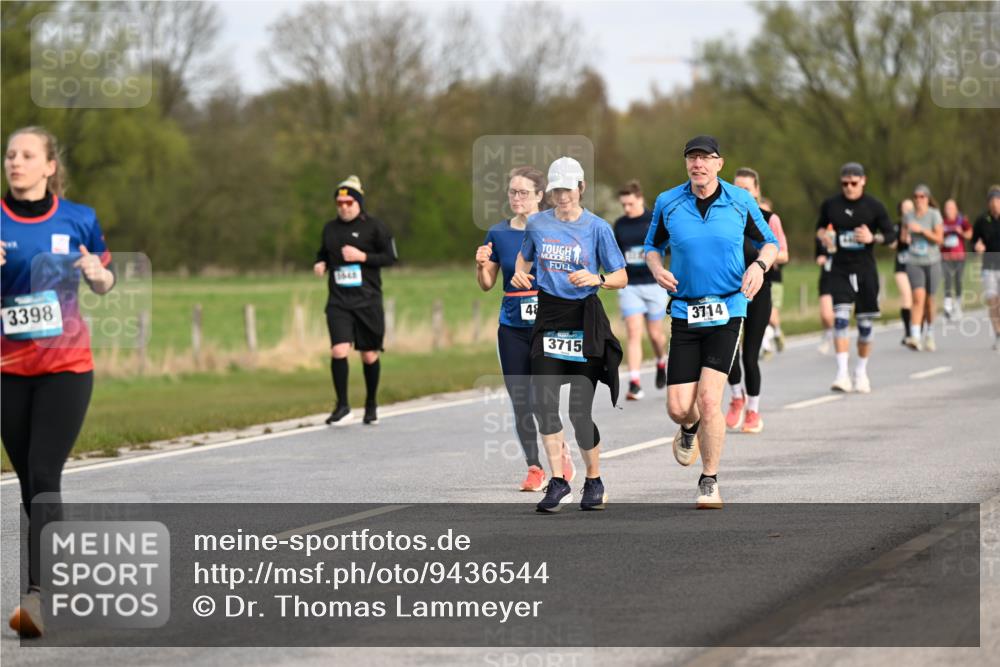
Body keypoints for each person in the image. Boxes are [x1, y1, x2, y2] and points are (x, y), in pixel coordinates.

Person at [2, 127, 116, 637]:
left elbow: (107, 281)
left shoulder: (79, 219)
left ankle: (36, 597)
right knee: (30, 484)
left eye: (27, 155)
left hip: (66, 365)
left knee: (46, 473)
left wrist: (96, 273)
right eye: (10, 154)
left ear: (50, 166)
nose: (15, 162)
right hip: (8, 368)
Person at [643, 136, 778, 509]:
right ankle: (688, 428)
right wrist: (656, 268)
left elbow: (769, 243)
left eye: (705, 158)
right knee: (678, 406)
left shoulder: (740, 200)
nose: (698, 164)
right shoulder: (668, 202)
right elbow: (651, 246)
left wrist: (759, 265)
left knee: (708, 399)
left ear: (719, 163)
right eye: (692, 158)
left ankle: (709, 480)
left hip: (727, 309)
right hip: (685, 311)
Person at [511, 156, 627, 513]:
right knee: (544, 404)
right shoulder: (537, 225)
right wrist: (519, 275)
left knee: (579, 412)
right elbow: (523, 260)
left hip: (584, 318)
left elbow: (621, 275)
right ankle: (558, 480)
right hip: (548, 315)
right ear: (551, 191)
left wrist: (598, 279)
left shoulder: (597, 228)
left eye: (569, 189)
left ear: (581, 188)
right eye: (557, 189)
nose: (563, 197)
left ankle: (594, 479)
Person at [476, 166, 576, 492]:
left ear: (539, 196)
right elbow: (487, 284)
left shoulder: (554, 228)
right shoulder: (498, 233)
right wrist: (481, 266)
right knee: (521, 398)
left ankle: (559, 451)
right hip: (512, 327)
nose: (516, 198)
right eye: (512, 192)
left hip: (548, 325)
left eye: (523, 192)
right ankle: (534, 467)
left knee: (542, 398)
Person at [313, 175, 397, 425]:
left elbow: (390, 258)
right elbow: (322, 253)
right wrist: (321, 263)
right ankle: (342, 406)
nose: (344, 207)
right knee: (338, 349)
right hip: (339, 302)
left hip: (368, 301)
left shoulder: (375, 227)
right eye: (340, 203)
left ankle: (371, 404)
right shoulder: (330, 229)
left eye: (349, 202)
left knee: (369, 355)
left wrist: (362, 256)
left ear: (358, 202)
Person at [815, 162, 895, 393]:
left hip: (865, 270)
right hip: (840, 268)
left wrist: (873, 237)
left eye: (853, 183)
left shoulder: (874, 206)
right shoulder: (831, 204)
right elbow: (819, 229)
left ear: (863, 181)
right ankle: (841, 374)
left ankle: (860, 372)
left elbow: (891, 237)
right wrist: (825, 238)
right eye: (844, 183)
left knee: (865, 325)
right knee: (840, 320)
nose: (849, 187)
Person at [725, 168, 788, 434]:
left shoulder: (769, 218)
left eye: (747, 189)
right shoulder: (724, 216)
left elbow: (783, 254)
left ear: (757, 191)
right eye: (737, 188)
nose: (742, 194)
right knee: (728, 352)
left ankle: (753, 411)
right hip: (729, 289)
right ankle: (736, 397)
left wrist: (761, 261)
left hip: (760, 290)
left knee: (750, 356)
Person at [612, 179, 668, 400]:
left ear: (640, 199)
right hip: (630, 286)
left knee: (655, 335)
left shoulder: (654, 220)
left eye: (630, 204)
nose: (626, 209)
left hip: (654, 285)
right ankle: (634, 383)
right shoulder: (620, 225)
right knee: (634, 333)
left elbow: (669, 247)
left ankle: (661, 360)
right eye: (623, 205)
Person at [902, 184, 944, 351]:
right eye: (916, 196)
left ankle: (930, 333)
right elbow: (903, 236)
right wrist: (906, 237)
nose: (919, 200)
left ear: (928, 198)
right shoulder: (908, 216)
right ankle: (915, 336)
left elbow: (939, 239)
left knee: (929, 300)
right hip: (914, 261)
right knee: (918, 297)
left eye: (922, 197)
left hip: (932, 261)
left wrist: (922, 231)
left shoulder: (934, 215)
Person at [972, 186, 1000, 351]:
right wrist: (977, 246)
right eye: (992, 201)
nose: (995, 203)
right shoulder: (982, 220)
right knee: (992, 301)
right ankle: (997, 333)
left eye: (997, 200)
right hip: (988, 267)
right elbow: (974, 241)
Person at [758, 196, 787, 356]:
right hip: (756, 278)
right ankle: (766, 346)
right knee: (762, 316)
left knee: (772, 317)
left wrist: (769, 257)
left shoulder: (774, 226)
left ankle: (776, 332)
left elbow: (784, 255)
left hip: (774, 278)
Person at [940, 198, 972, 320]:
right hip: (945, 256)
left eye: (951, 208)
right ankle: (947, 307)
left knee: (958, 280)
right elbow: (937, 237)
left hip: (959, 256)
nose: (949, 210)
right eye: (947, 208)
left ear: (956, 209)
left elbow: (970, 234)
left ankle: (958, 305)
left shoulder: (961, 221)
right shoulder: (941, 222)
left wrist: (961, 232)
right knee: (947, 280)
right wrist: (942, 241)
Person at [893, 199, 915, 346]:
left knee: (918, 299)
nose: (907, 211)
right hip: (901, 266)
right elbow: (894, 244)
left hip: (918, 266)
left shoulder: (920, 224)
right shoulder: (896, 227)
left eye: (910, 208)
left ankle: (918, 329)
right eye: (905, 209)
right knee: (906, 297)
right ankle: (908, 332)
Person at [815, 237, 836, 355]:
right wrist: (820, 258)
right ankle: (828, 334)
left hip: (842, 279)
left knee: (839, 316)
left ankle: (841, 349)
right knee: (826, 315)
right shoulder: (820, 234)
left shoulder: (847, 228)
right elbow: (818, 255)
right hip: (826, 279)